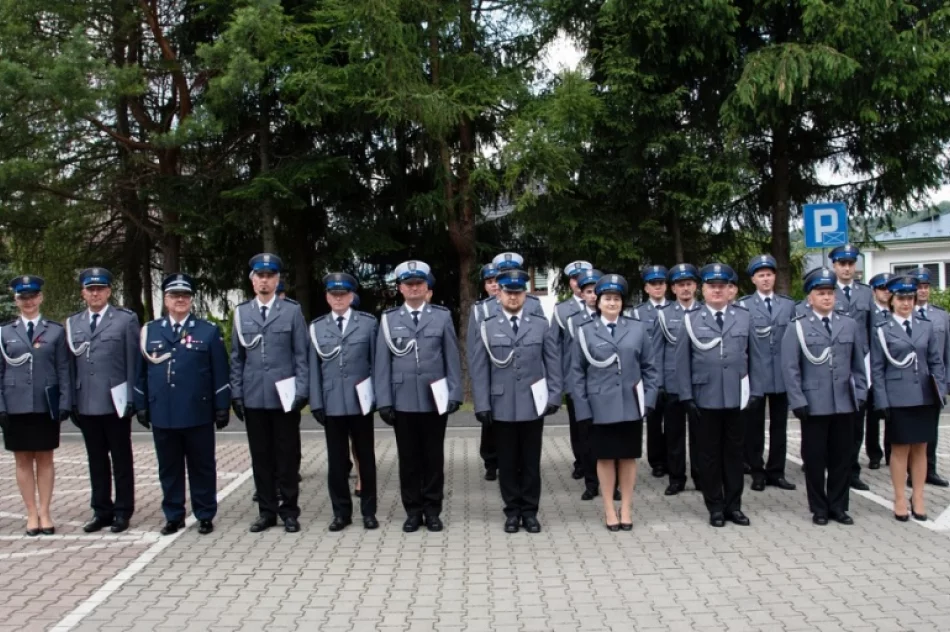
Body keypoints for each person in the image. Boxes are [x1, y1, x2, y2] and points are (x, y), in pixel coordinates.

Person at [134, 273, 229, 535]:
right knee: (169, 467)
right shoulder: (150, 331)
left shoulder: (207, 331)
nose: (180, 300)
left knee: (202, 465)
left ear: (191, 299)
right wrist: (140, 403)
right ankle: (173, 515)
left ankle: (205, 513)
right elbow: (140, 372)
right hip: (163, 410)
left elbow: (219, 371)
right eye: (175, 296)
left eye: (185, 296)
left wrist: (222, 405)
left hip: (198, 410)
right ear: (165, 299)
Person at [471, 268, 561, 533]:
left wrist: (555, 394)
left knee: (531, 462)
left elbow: (552, 362)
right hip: (500, 405)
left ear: (525, 294)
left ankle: (530, 512)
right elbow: (479, 368)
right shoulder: (487, 326)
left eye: (518, 292)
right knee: (508, 463)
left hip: (533, 404)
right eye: (508, 292)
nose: (513, 297)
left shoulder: (539, 323)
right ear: (498, 293)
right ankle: (512, 511)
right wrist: (482, 404)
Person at [375, 260, 462, 532]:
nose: (414, 289)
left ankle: (432, 510)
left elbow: (451, 357)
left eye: (419, 284)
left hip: (433, 399)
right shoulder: (389, 320)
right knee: (409, 459)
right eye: (409, 284)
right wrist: (384, 401)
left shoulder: (441, 316)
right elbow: (381, 364)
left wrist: (455, 392)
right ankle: (413, 511)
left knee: (433, 458)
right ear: (400, 288)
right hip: (402, 400)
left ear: (427, 288)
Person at [674, 263, 762, 527]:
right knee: (709, 456)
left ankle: (734, 506)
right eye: (712, 286)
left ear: (730, 290)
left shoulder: (744, 317)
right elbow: (682, 362)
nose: (716, 291)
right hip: (705, 397)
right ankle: (714, 506)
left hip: (737, 396)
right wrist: (686, 396)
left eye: (721, 286)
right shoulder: (691, 319)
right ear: (703, 289)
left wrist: (756, 390)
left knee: (735, 454)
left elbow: (756, 357)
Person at [570, 274, 658, 531]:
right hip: (600, 407)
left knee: (629, 457)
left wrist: (649, 401)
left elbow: (650, 368)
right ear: (598, 302)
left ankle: (627, 507)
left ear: (622, 303)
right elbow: (576, 373)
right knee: (606, 458)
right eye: (607, 298)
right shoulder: (585, 331)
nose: (612, 303)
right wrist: (583, 409)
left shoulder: (637, 328)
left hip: (631, 404)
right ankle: (609, 508)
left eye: (616, 299)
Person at [231, 253, 310, 533]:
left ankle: (289, 511)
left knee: (287, 456)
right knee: (261, 457)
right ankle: (266, 512)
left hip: (284, 397)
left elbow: (302, 354)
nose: (264, 281)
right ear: (252, 281)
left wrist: (302, 391)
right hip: (254, 396)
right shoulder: (241, 313)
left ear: (277, 280)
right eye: (260, 276)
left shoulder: (291, 311)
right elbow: (237, 358)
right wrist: (237, 394)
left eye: (270, 276)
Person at [783, 268, 868, 525]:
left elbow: (858, 365)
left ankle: (839, 506)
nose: (827, 298)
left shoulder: (849, 324)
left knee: (842, 458)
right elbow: (790, 368)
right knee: (815, 459)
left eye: (830, 293)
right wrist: (797, 401)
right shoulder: (797, 327)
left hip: (844, 402)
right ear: (810, 297)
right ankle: (819, 508)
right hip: (814, 404)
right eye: (821, 293)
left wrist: (861, 393)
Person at [65, 267, 139, 533]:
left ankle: (122, 510)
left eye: (100, 288)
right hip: (86, 400)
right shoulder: (73, 323)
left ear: (109, 291)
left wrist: (132, 396)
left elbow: (133, 362)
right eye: (90, 289)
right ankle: (101, 510)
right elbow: (70, 366)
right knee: (95, 459)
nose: (95, 293)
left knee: (121, 458)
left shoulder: (125, 320)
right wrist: (71, 400)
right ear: (83, 293)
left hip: (115, 400)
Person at [871, 274, 946, 522]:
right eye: (901, 298)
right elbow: (877, 368)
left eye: (910, 298)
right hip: (898, 397)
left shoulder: (925, 326)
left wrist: (941, 391)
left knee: (921, 448)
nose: (906, 303)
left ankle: (920, 496)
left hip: (924, 395)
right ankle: (900, 497)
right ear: (891, 299)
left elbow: (936, 361)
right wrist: (881, 400)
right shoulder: (882, 330)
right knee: (900, 449)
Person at [308, 272, 379, 531]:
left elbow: (377, 364)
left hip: (361, 402)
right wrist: (316, 402)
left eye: (343, 294)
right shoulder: (317, 327)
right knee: (337, 462)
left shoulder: (368, 324)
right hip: (332, 403)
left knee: (366, 459)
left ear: (351, 296)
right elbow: (314, 369)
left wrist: (378, 399)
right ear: (327, 297)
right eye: (333, 295)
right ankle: (341, 513)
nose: (338, 299)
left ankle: (369, 511)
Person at [0, 275, 71, 535]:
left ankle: (45, 512)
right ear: (16, 300)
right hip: (15, 404)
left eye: (32, 296)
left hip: (45, 404)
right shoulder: (4, 332)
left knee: (45, 458)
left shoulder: (55, 331)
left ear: (40, 298)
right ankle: (31, 513)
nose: (28, 301)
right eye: (23, 297)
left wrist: (65, 402)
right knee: (21, 460)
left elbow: (63, 369)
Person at [738, 255, 796, 492]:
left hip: (781, 375)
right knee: (754, 428)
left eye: (769, 274)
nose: (765, 279)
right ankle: (757, 471)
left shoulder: (788, 305)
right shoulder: (744, 306)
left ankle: (777, 472)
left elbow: (794, 342)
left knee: (780, 426)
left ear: (775, 276)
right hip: (757, 375)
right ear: (753, 279)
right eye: (760, 275)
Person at [565, 269, 614, 501]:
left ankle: (611, 486)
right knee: (585, 437)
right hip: (583, 387)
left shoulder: (613, 317)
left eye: (597, 291)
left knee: (608, 437)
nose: (593, 296)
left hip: (608, 388)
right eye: (589, 291)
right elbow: (569, 357)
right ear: (582, 295)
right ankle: (591, 483)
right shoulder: (573, 320)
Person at [653, 263, 702, 495]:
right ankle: (676, 478)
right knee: (674, 435)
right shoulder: (663, 315)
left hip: (700, 384)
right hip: (673, 384)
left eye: (689, 284)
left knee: (701, 435)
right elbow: (657, 351)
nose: (685, 289)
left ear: (696, 287)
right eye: (681, 285)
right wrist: (660, 383)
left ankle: (701, 477)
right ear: (673, 289)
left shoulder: (704, 312)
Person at [829, 244, 873, 492]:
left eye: (850, 264)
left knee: (857, 422)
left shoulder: (865, 294)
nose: (846, 268)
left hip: (859, 364)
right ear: (834, 266)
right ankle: (832, 465)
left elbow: (873, 331)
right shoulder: (825, 290)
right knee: (833, 420)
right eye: (842, 264)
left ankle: (852, 470)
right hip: (834, 364)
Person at [551, 260, 595, 481]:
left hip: (598, 378)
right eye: (576, 279)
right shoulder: (562, 310)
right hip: (572, 377)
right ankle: (581, 463)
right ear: (571, 282)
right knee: (578, 426)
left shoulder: (601, 304)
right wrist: (557, 382)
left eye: (584, 278)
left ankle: (598, 466)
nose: (580, 282)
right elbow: (554, 348)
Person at [912, 267, 950, 487]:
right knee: (911, 430)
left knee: (931, 429)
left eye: (926, 287)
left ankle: (930, 469)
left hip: (934, 382)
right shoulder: (904, 315)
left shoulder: (941, 315)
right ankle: (911, 471)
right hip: (911, 381)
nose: (923, 291)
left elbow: (947, 352)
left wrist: (946, 382)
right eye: (919, 287)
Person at [630, 265, 669, 478]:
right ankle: (657, 462)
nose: (657, 287)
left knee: (673, 423)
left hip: (671, 375)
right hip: (648, 376)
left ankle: (672, 459)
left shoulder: (673, 309)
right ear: (646, 288)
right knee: (653, 422)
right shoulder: (637, 313)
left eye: (661, 283)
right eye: (653, 284)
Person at [466, 263, 501, 482]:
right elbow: (474, 345)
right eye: (489, 282)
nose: (494, 285)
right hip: (488, 372)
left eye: (497, 280)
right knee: (489, 423)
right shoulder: (480, 309)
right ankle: (490, 461)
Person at [867, 272, 892, 468]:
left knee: (892, 414)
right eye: (882, 288)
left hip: (892, 369)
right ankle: (874, 454)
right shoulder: (869, 313)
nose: (886, 293)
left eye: (889, 289)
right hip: (870, 368)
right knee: (873, 415)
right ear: (874, 291)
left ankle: (892, 452)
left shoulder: (896, 312)